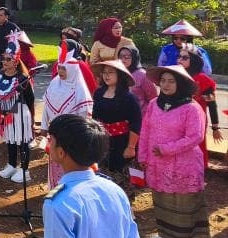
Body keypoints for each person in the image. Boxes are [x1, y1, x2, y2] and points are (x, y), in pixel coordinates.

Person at [44, 114, 145, 238]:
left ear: (61, 153)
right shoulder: (115, 191)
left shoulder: (59, 203)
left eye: (51, 140)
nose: (48, 143)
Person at [139, 65, 208, 238]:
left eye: (171, 81)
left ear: (181, 84)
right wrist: (143, 154)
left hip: (184, 164)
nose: (166, 85)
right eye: (163, 81)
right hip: (158, 163)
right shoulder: (154, 104)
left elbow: (195, 136)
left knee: (183, 201)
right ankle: (166, 233)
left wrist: (166, 149)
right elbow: (146, 130)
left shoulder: (191, 108)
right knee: (162, 198)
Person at [41, 49, 93, 189]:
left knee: (71, 164)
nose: (60, 71)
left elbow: (84, 114)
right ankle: (55, 189)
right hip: (55, 133)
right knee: (56, 163)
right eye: (59, 68)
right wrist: (44, 127)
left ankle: (71, 190)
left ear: (72, 69)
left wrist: (80, 135)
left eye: (64, 69)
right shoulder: (54, 83)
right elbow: (46, 106)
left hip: (73, 136)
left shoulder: (79, 88)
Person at [91, 60, 141, 198]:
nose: (106, 75)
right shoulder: (99, 93)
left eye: (111, 72)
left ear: (120, 75)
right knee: (102, 172)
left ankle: (124, 203)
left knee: (122, 174)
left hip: (122, 141)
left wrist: (131, 147)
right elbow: (94, 117)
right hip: (103, 140)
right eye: (104, 72)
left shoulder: (129, 98)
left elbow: (136, 123)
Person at [0, 36, 35, 184]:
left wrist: (29, 116)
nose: (4, 62)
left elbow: (30, 99)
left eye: (8, 59)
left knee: (22, 141)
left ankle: (24, 170)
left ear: (16, 62)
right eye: (3, 59)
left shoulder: (22, 78)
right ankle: (11, 165)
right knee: (10, 139)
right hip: (4, 113)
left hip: (19, 112)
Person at [176, 45, 223, 166]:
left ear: (194, 59)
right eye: (179, 57)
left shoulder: (203, 80)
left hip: (196, 122)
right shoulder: (176, 76)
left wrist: (215, 128)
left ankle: (198, 172)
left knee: (196, 149)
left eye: (184, 57)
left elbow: (212, 105)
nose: (179, 60)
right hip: (177, 121)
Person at [117, 46, 158, 117]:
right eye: (120, 57)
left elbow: (153, 98)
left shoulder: (143, 75)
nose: (123, 60)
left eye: (127, 57)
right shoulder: (118, 73)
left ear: (134, 58)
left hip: (140, 117)